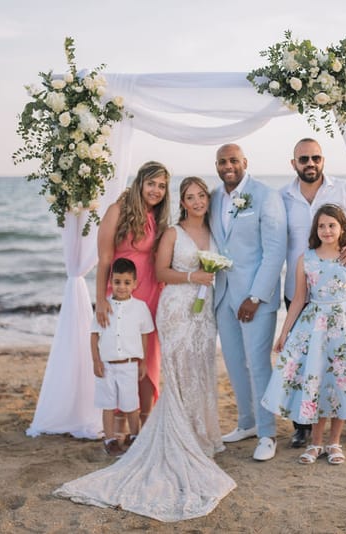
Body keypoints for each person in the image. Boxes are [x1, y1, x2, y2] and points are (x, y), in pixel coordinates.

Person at [55, 176, 236, 522]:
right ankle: (166, 432)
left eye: (201, 195)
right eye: (189, 196)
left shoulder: (216, 230)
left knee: (201, 371)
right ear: (181, 202)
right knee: (178, 372)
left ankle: (202, 433)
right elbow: (160, 271)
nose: (197, 201)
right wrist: (193, 278)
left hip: (203, 311)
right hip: (174, 308)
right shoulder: (171, 232)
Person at [281, 138, 346, 450]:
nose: (309, 163)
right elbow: (275, 244)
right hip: (301, 293)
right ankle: (302, 427)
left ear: (323, 160)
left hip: (342, 301)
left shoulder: (345, 190)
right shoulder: (282, 197)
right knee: (305, 365)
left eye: (315, 158)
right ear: (294, 164)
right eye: (303, 159)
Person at [262, 204, 346, 465]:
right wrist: (284, 333)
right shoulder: (306, 259)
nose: (326, 230)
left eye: (332, 225)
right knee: (315, 382)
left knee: (341, 383)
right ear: (315, 230)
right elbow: (298, 299)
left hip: (345, 331)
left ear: (342, 229)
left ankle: (334, 443)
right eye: (321, 226)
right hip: (314, 331)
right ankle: (316, 444)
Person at [209, 143, 287, 461]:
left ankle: (268, 434)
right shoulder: (214, 197)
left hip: (255, 298)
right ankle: (247, 423)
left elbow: (275, 252)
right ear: (216, 165)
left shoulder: (267, 196)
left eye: (233, 161)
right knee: (233, 363)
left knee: (257, 365)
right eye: (222, 161)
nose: (228, 166)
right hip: (224, 293)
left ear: (244, 162)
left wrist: (255, 297)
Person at [95, 161, 170, 425]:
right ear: (140, 183)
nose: (156, 190)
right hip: (120, 293)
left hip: (150, 293)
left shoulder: (158, 217)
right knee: (119, 354)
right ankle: (118, 425)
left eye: (162, 186)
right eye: (151, 183)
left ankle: (146, 422)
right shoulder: (118, 210)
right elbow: (104, 258)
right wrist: (101, 300)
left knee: (147, 356)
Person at [90, 258, 154, 457]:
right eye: (117, 282)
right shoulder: (103, 307)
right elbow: (94, 335)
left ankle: (135, 437)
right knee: (108, 405)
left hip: (129, 365)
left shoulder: (140, 307)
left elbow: (145, 335)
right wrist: (96, 361)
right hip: (107, 365)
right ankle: (110, 440)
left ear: (135, 283)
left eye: (127, 282)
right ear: (111, 283)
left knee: (131, 405)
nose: (122, 287)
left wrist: (143, 362)